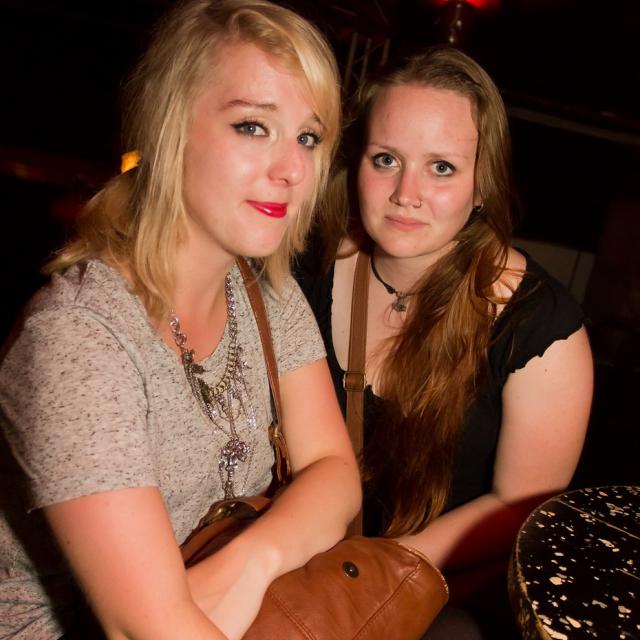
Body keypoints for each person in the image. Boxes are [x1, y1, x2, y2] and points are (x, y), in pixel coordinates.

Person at [0, 1, 361, 638]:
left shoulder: (268, 296)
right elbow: (144, 628)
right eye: (253, 126)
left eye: (308, 137)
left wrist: (248, 563)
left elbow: (335, 470)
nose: (292, 169)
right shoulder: (77, 338)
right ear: (170, 130)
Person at [295, 46, 593, 634]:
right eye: (386, 159)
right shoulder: (310, 269)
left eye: (442, 168)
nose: (406, 193)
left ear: (482, 186)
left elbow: (521, 507)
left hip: (438, 595)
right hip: (303, 562)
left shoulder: (540, 327)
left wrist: (365, 577)